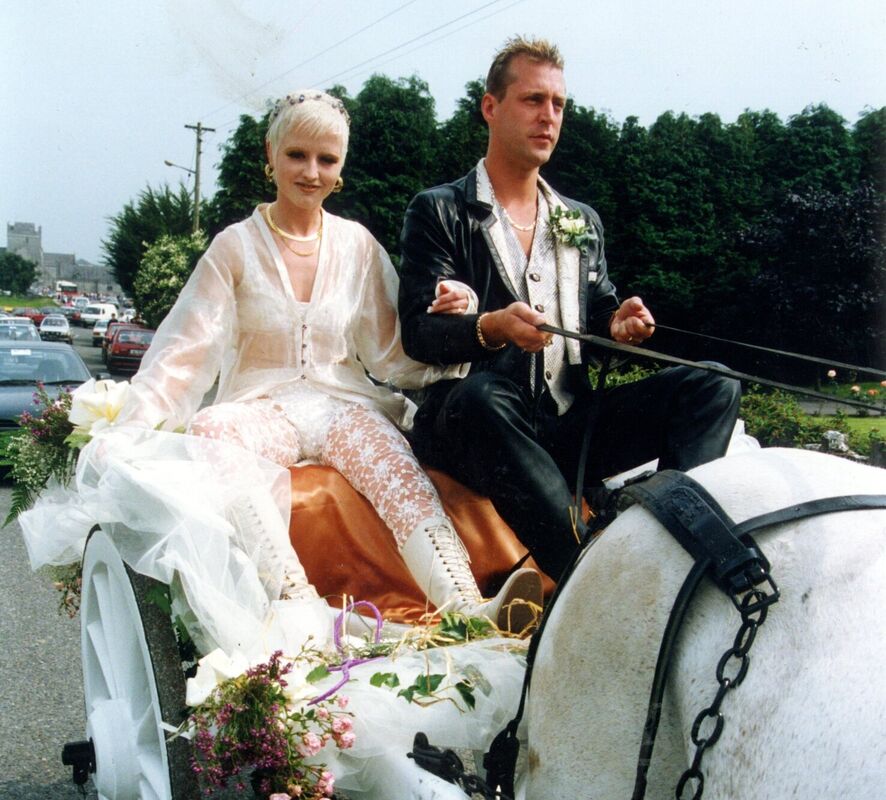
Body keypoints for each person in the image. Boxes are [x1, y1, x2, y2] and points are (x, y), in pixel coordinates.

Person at [26, 90, 542, 653]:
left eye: (327, 160)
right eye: (297, 155)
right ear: (270, 156)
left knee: (393, 464)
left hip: (342, 403)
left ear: (341, 168)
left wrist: (457, 311)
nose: (311, 172)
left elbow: (394, 353)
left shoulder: (358, 248)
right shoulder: (234, 248)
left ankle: (469, 609)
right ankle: (294, 604)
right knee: (213, 433)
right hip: (258, 407)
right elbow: (185, 353)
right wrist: (128, 425)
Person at [398, 38, 742, 583]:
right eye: (533, 100)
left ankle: (670, 547)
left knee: (715, 385)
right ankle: (585, 572)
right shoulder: (439, 209)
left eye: (559, 104)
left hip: (566, 426)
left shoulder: (579, 220)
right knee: (484, 395)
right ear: (491, 108)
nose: (549, 117)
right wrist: (491, 328)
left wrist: (619, 320)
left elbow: (602, 306)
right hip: (478, 423)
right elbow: (418, 332)